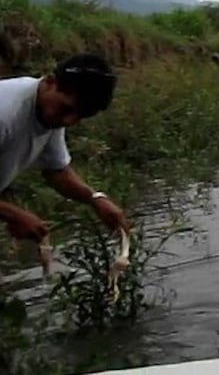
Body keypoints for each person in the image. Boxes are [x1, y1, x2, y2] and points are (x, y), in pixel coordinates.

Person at [0, 53, 129, 246]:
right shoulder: (6, 113)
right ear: (50, 82)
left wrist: (96, 199)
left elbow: (57, 171)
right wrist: (13, 214)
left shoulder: (48, 111)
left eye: (82, 115)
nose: (69, 121)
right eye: (66, 109)